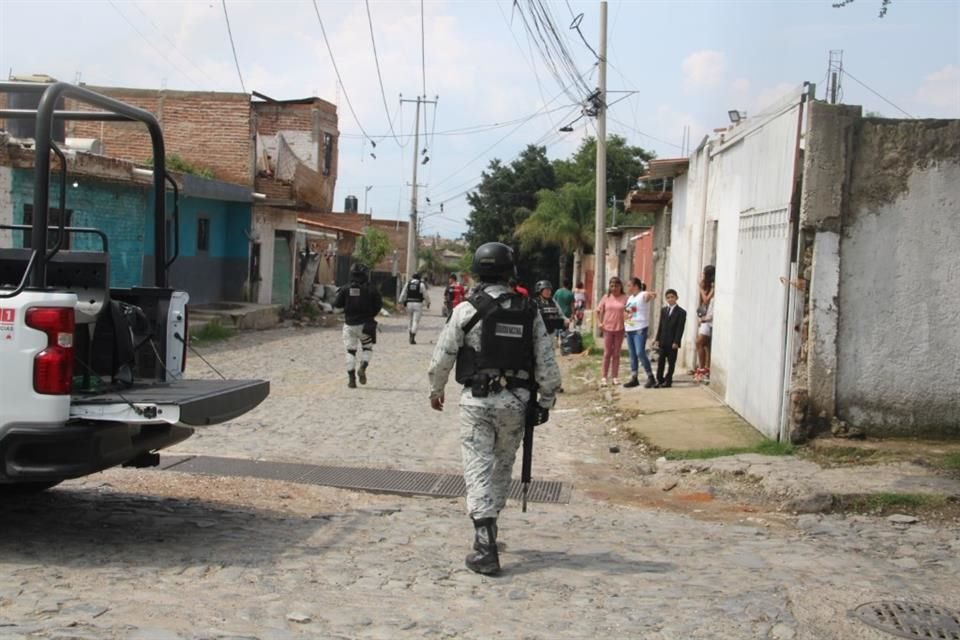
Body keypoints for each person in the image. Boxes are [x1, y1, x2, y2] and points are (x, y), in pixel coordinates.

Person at [427, 242, 562, 576]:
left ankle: (485, 543)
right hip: (515, 405)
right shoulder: (529, 310)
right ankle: (490, 528)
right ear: (509, 270)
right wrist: (545, 402)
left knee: (477, 468)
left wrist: (436, 388)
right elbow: (547, 365)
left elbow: (443, 355)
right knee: (501, 468)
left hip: (477, 402)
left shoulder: (466, 309)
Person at [333, 263, 383, 388]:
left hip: (349, 325)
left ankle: (351, 380)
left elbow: (337, 308)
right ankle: (363, 366)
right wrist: (371, 314)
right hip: (366, 325)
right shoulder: (372, 288)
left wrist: (347, 309)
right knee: (367, 348)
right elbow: (378, 305)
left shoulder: (345, 289)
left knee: (350, 352)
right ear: (366, 274)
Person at [623, 277, 657, 389]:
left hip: (640, 328)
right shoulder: (630, 299)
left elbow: (650, 295)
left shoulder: (642, 295)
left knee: (640, 352)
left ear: (635, 286)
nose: (627, 287)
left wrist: (650, 294)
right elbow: (629, 314)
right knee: (632, 354)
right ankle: (634, 377)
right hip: (630, 328)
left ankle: (650, 376)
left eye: (629, 285)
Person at [595, 276, 628, 387]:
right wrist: (599, 323)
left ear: (620, 286)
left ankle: (615, 377)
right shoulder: (606, 297)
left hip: (620, 328)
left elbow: (631, 312)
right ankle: (604, 377)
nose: (614, 288)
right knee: (607, 353)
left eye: (616, 286)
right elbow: (598, 311)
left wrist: (629, 324)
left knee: (617, 353)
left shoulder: (625, 298)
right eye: (612, 286)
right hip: (607, 328)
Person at [655, 289, 686, 388]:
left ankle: (668, 381)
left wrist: (676, 341)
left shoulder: (681, 312)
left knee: (671, 362)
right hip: (663, 341)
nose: (670, 299)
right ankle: (659, 380)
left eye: (672, 297)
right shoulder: (664, 310)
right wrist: (657, 339)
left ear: (676, 298)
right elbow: (660, 325)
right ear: (666, 299)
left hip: (673, 342)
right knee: (661, 362)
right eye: (668, 297)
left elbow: (680, 328)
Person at [398, 272, 431, 344]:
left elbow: (403, 293)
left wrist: (400, 302)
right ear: (419, 278)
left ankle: (410, 335)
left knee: (410, 320)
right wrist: (428, 302)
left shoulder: (408, 283)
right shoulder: (421, 284)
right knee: (415, 321)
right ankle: (412, 336)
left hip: (409, 304)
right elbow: (425, 295)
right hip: (418, 304)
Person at [695, 265, 716, 382]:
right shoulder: (706, 286)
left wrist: (701, 289)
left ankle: (702, 368)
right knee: (705, 345)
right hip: (704, 317)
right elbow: (702, 302)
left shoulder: (712, 286)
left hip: (709, 319)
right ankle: (704, 368)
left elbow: (706, 299)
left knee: (700, 342)